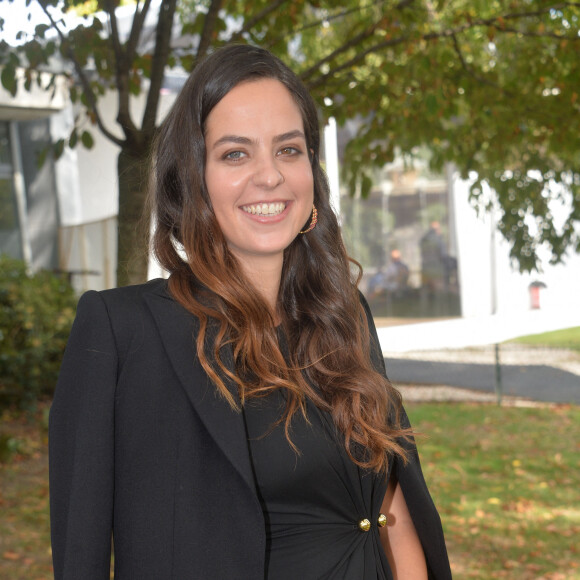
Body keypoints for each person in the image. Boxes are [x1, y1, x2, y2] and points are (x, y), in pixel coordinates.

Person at [49, 44, 452, 580]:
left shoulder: (343, 314)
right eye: (235, 154)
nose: (270, 176)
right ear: (193, 178)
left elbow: (390, 506)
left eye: (289, 150)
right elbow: (81, 554)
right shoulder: (121, 332)